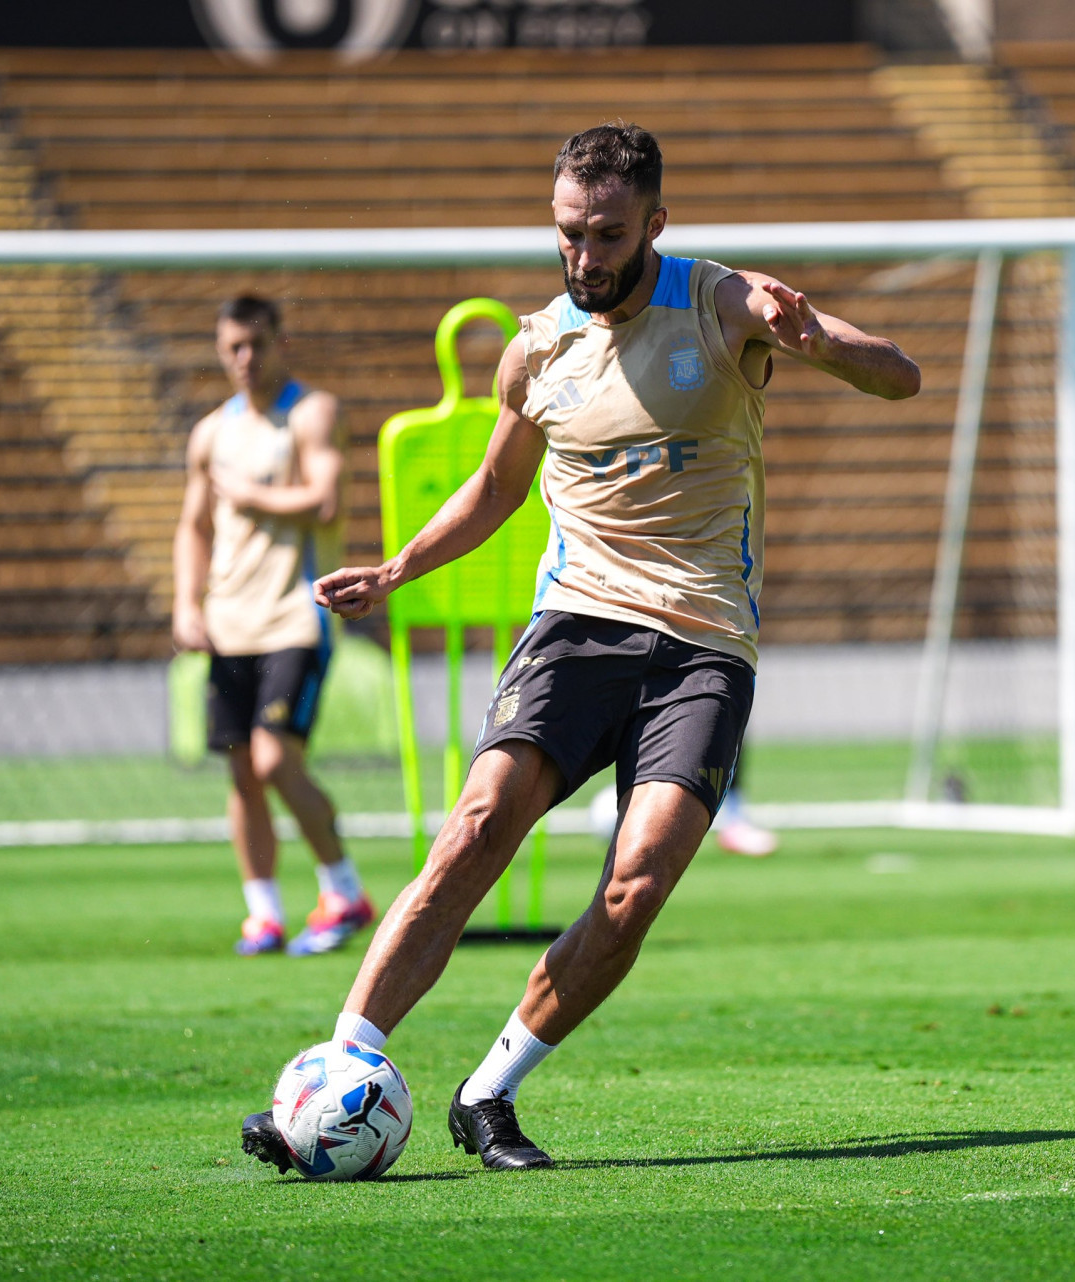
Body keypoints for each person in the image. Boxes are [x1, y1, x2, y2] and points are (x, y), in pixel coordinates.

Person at [241, 123, 919, 1171]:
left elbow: (900, 377)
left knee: (633, 885)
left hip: (702, 643)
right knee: (474, 826)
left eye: (605, 234)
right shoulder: (536, 347)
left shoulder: (725, 300)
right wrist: (396, 569)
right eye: (568, 234)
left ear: (655, 221)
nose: (584, 256)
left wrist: (824, 345)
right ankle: (338, 1068)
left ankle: (487, 1091)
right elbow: (497, 490)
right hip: (578, 625)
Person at [173, 295, 374, 957]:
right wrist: (187, 603)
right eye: (233, 347)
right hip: (229, 624)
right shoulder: (211, 433)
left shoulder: (311, 413)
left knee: (273, 758)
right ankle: (262, 912)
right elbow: (194, 526)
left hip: (295, 616)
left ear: (280, 342)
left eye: (256, 344)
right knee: (241, 770)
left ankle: (343, 890)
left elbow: (324, 501)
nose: (245, 359)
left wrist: (252, 493)